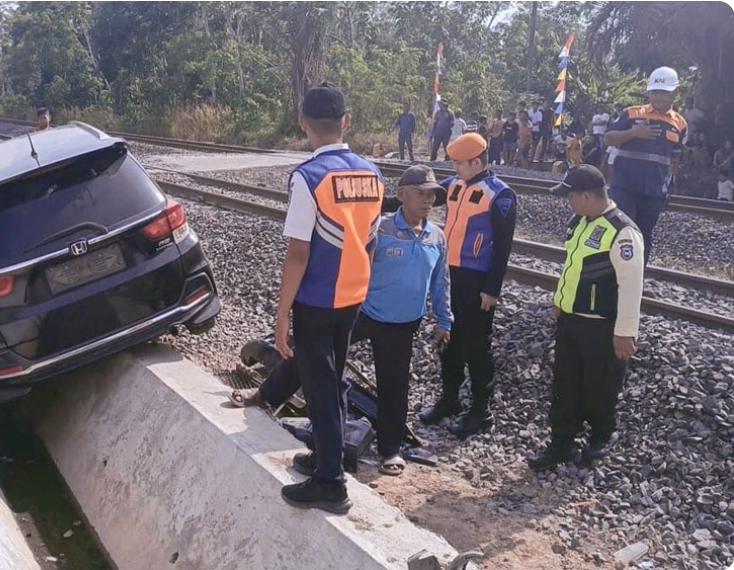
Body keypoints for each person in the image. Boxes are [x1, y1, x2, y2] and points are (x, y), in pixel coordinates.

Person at [231, 165, 452, 477]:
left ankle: (390, 450)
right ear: (402, 195)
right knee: (313, 354)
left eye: (432, 194)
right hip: (364, 311)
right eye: (421, 193)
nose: (428, 200)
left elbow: (441, 282)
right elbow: (356, 262)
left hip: (403, 325)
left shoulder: (436, 237)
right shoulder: (382, 229)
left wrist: (445, 319)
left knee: (394, 386)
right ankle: (267, 393)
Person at [273, 81, 382, 514]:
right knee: (331, 380)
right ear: (346, 122)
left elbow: (298, 252)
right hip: (352, 295)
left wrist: (282, 314)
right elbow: (370, 238)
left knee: (320, 385)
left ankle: (331, 484)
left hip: (317, 300)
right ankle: (324, 453)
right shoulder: (371, 174)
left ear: (304, 125)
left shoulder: (308, 178)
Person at [528, 165, 644, 471]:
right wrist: (559, 302)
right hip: (571, 320)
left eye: (570, 197)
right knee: (565, 384)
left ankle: (598, 439)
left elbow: (632, 286)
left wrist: (625, 331)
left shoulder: (623, 231)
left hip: (601, 325)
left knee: (600, 384)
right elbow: (572, 268)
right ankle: (562, 442)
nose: (568, 202)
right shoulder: (580, 222)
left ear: (587, 196)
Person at [417, 134, 517, 439]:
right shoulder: (454, 185)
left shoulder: (500, 195)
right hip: (450, 274)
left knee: (476, 346)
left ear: (476, 162)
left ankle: (480, 410)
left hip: (477, 281)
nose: (454, 167)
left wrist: (492, 289)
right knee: (449, 340)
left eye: (459, 163)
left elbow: (503, 248)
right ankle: (450, 399)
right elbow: (420, 195)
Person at [604, 67, 687, 263]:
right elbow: (608, 138)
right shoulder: (631, 114)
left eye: (664, 92)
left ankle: (636, 281)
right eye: (655, 92)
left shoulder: (680, 124)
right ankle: (612, 278)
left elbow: (674, 159)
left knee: (643, 236)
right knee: (620, 232)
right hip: (624, 187)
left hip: (653, 192)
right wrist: (633, 133)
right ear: (648, 92)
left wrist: (669, 189)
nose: (658, 96)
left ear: (675, 93)